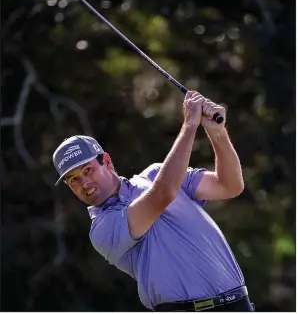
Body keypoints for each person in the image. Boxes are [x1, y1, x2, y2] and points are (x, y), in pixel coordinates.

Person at [52, 91, 255, 312]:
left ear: (107, 162)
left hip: (238, 305)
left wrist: (217, 133)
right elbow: (163, 194)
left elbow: (230, 186)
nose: (84, 183)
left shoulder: (156, 174)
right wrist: (189, 126)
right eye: (73, 180)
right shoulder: (102, 228)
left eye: (88, 170)